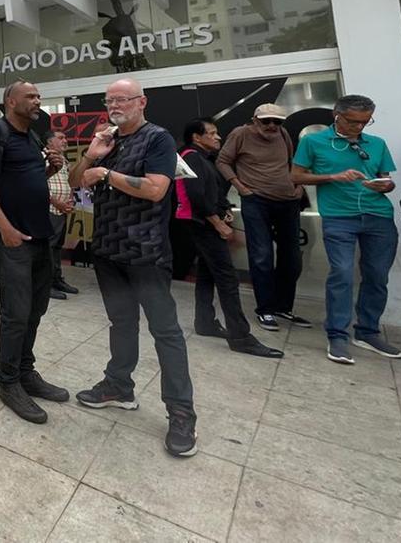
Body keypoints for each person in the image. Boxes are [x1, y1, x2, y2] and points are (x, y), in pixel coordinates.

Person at [69, 77, 197, 458]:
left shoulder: (158, 139)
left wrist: (107, 174)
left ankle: (181, 412)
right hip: (108, 250)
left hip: (146, 252)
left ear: (142, 102)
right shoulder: (107, 139)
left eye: (122, 99)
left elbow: (157, 188)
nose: (114, 105)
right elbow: (77, 182)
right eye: (109, 100)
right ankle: (118, 387)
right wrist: (93, 155)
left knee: (165, 331)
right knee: (121, 323)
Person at [0, 80, 70, 425]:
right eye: (31, 96)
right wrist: (5, 228)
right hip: (13, 239)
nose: (37, 101)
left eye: (39, 96)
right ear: (10, 101)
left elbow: (26, 179)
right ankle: (8, 381)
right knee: (16, 312)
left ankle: (26, 372)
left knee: (36, 309)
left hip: (40, 234)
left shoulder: (31, 137)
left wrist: (50, 171)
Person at [291, 94, 401, 364]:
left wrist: (385, 185)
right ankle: (337, 335)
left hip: (378, 215)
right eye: (353, 121)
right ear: (336, 115)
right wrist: (332, 177)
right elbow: (296, 176)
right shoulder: (313, 141)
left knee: (377, 275)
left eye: (365, 122)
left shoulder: (377, 144)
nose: (359, 127)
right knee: (341, 273)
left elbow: (387, 180)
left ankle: (366, 332)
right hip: (339, 216)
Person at [174, 119, 282, 359]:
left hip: (206, 222)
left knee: (207, 273)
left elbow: (210, 192)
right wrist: (217, 222)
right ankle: (240, 336)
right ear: (196, 137)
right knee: (227, 278)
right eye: (211, 133)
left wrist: (224, 209)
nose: (218, 137)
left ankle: (205, 322)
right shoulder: (192, 157)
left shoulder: (202, 159)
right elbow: (196, 195)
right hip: (202, 224)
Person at [216, 103, 310, 332]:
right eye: (266, 121)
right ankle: (265, 309)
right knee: (262, 255)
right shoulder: (241, 134)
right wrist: (239, 187)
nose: (271, 126)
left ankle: (282, 306)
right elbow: (222, 161)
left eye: (277, 121)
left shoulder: (283, 134)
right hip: (257, 201)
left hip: (288, 200)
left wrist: (298, 185)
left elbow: (291, 162)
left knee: (291, 257)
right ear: (255, 120)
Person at [46, 131, 78, 298]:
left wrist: (69, 200)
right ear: (49, 142)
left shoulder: (64, 160)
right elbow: (37, 185)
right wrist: (56, 202)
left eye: (66, 138)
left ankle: (57, 279)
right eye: (61, 138)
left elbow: (69, 183)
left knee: (57, 247)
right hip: (49, 210)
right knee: (48, 248)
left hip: (62, 210)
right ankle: (46, 285)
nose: (65, 141)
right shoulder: (43, 158)